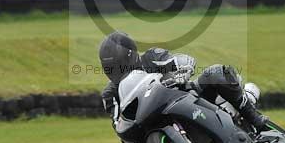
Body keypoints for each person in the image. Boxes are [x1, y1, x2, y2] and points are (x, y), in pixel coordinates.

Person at [98, 30, 269, 130]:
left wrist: (177, 75)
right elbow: (118, 123)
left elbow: (185, 61)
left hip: (191, 98)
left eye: (117, 65)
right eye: (110, 68)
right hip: (163, 127)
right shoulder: (110, 93)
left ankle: (253, 116)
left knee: (215, 73)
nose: (114, 71)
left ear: (130, 57)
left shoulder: (151, 57)